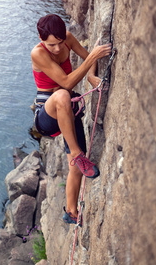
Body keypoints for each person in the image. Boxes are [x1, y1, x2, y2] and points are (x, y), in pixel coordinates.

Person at [31, 14, 112, 224]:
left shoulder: (67, 37)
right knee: (63, 95)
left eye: (59, 43)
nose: (57, 49)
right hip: (47, 114)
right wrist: (92, 59)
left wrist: (92, 74)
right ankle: (77, 153)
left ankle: (71, 211)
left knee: (76, 167)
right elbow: (66, 82)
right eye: (51, 45)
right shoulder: (38, 53)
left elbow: (87, 59)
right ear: (41, 39)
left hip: (68, 110)